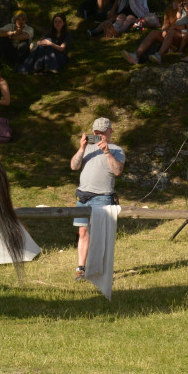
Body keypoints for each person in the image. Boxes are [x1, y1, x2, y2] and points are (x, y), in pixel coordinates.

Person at [70, 117, 124, 282]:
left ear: (110, 131)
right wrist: (81, 148)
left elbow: (117, 171)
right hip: (83, 196)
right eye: (96, 133)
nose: (99, 136)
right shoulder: (87, 148)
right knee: (82, 232)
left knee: (99, 235)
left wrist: (107, 152)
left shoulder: (117, 150)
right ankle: (81, 268)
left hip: (102, 197)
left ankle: (99, 270)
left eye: (102, 133)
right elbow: (74, 166)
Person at [122, 0, 188, 65]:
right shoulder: (169, 8)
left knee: (172, 31)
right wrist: (164, 30)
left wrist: (185, 26)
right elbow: (166, 23)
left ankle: (159, 55)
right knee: (153, 33)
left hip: (185, 35)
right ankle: (136, 55)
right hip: (171, 34)